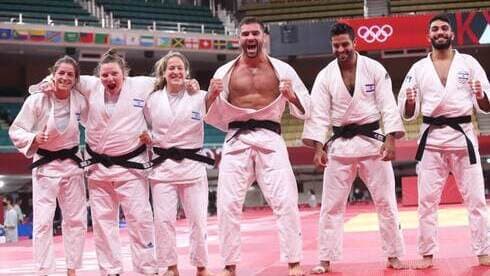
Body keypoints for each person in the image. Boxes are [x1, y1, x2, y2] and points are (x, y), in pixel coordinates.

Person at [32, 49, 159, 275]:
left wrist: (191, 85)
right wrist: (46, 82)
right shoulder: (89, 85)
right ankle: (111, 270)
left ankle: (147, 269)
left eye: (114, 75)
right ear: (98, 75)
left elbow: (169, 78)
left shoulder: (141, 85)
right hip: (99, 168)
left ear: (124, 73)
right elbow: (62, 77)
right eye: (105, 75)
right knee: (103, 224)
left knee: (140, 221)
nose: (109, 79)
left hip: (131, 167)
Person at [205, 16, 310, 276]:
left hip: (270, 137)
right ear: (238, 39)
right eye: (245, 34)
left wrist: (292, 96)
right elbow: (211, 115)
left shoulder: (283, 71)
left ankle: (294, 261)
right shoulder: (224, 73)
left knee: (285, 201)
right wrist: (210, 96)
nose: (250, 38)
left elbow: (307, 109)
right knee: (227, 204)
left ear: (264, 37)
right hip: (236, 138)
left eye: (255, 34)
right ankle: (229, 265)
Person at [302, 22, 407, 274]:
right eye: (336, 45)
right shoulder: (325, 75)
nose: (341, 49)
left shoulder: (374, 69)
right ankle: (325, 259)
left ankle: (393, 255)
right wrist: (318, 148)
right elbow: (318, 115)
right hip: (340, 146)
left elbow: (388, 105)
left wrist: (391, 139)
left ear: (354, 43)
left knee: (386, 202)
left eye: (345, 44)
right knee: (331, 205)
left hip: (373, 143)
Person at [398, 13, 490, 269]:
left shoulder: (469, 63)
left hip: (462, 137)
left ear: (452, 34)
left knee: (476, 200)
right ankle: (427, 254)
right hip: (432, 140)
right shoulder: (418, 68)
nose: (440, 32)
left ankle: (483, 251)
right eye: (435, 29)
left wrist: (481, 96)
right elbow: (407, 112)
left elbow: (486, 106)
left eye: (444, 29)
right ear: (428, 36)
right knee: (427, 201)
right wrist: (409, 102)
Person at [9, 56, 87, 276]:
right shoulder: (37, 100)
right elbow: (16, 130)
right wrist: (34, 137)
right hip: (45, 166)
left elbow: (96, 120)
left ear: (75, 79)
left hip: (72, 165)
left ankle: (72, 269)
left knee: (75, 220)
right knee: (43, 223)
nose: (64, 77)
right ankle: (44, 271)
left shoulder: (80, 100)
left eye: (70, 74)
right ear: (53, 73)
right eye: (60, 73)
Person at [140, 51, 213, 276]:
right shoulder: (152, 100)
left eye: (180, 68)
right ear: (163, 73)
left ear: (186, 72)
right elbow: (147, 128)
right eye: (171, 68)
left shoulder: (199, 96)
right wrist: (148, 138)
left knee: (199, 221)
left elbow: (217, 111)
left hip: (192, 166)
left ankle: (201, 266)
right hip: (163, 168)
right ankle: (170, 266)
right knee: (163, 222)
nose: (176, 72)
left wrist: (206, 90)